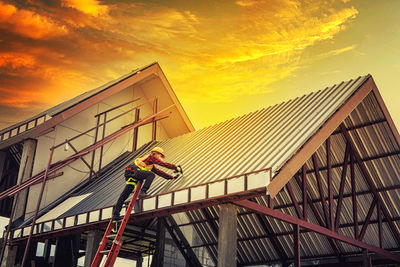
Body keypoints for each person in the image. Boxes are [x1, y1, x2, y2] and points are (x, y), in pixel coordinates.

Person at [112, 146, 180, 220]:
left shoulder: (150, 165)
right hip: (134, 171)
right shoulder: (151, 157)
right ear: (155, 153)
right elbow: (163, 164)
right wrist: (175, 167)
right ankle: (143, 191)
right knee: (151, 175)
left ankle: (115, 215)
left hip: (131, 174)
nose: (159, 157)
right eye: (159, 155)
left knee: (124, 195)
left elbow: (159, 172)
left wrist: (171, 177)